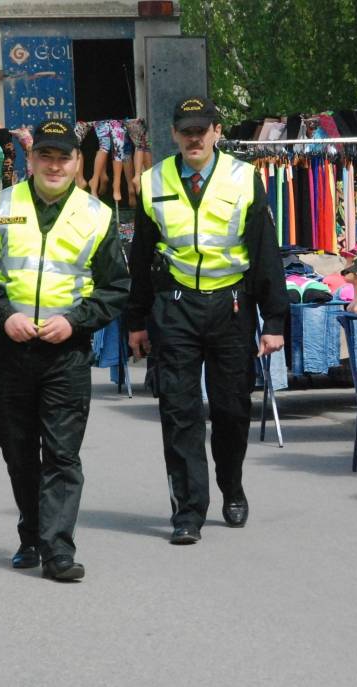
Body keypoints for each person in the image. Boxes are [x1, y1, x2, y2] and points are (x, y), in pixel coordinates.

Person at [0, 119, 130, 581]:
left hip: (66, 353)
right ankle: (31, 532)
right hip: (11, 350)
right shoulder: (0, 207)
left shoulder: (97, 215)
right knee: (17, 448)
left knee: (62, 453)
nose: (55, 165)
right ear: (31, 160)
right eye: (46, 157)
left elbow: (115, 288)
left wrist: (75, 320)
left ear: (78, 163)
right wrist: (3, 315)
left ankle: (57, 550)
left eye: (64, 157)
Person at [126, 96, 287, 545]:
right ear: (174, 134)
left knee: (233, 409)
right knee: (179, 412)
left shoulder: (244, 177)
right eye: (186, 131)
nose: (194, 138)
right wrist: (136, 319)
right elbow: (141, 257)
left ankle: (231, 486)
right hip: (175, 308)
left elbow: (264, 252)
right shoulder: (153, 180)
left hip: (231, 307)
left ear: (217, 131)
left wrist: (273, 321)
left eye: (202, 130)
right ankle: (188, 510)